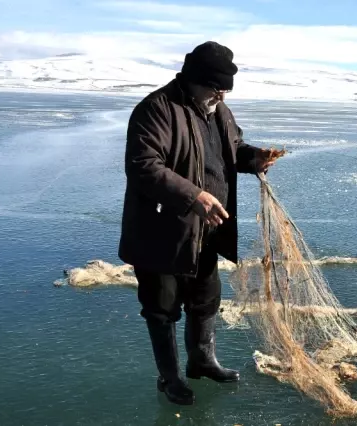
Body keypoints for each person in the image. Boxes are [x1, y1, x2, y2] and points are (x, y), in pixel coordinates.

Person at [117, 41, 279, 405]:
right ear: (194, 80)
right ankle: (170, 377)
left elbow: (231, 150)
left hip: (206, 230)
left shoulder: (218, 111)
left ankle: (203, 362)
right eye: (215, 89)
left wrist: (254, 158)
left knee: (206, 299)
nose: (220, 97)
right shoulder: (156, 110)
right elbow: (144, 166)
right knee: (162, 307)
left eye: (225, 91)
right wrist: (195, 197)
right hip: (162, 232)